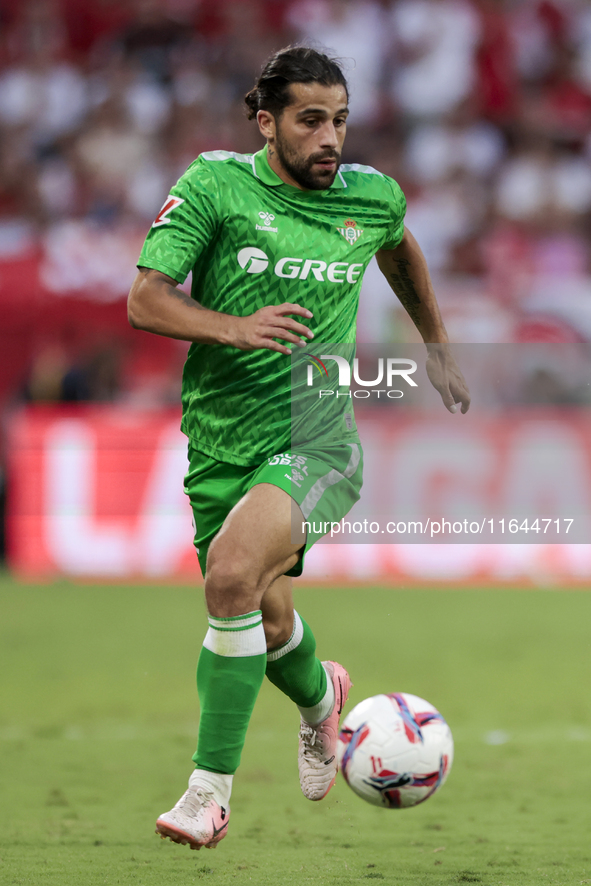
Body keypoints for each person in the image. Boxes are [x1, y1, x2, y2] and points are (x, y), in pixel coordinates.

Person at [127, 45, 470, 852]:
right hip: (218, 442)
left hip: (315, 439)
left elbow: (398, 246)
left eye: (340, 121)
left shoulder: (370, 197)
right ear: (267, 123)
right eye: (310, 120)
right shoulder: (215, 185)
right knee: (263, 617)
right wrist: (233, 328)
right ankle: (324, 704)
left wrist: (436, 342)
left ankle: (207, 794)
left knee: (232, 578)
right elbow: (145, 299)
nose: (330, 139)